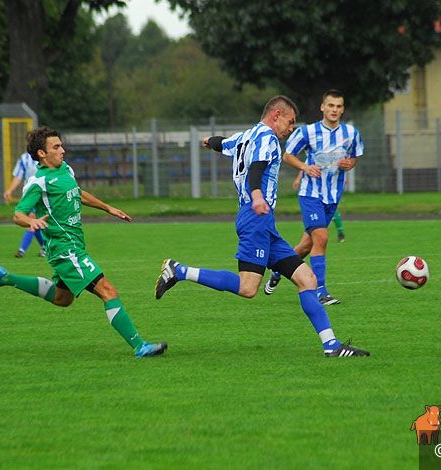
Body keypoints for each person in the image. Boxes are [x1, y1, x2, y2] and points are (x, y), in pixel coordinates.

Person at [154, 95, 369, 357]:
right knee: (248, 288)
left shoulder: (245, 136)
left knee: (307, 279)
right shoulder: (267, 138)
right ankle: (179, 270)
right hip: (255, 216)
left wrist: (209, 141)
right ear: (276, 115)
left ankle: (331, 345)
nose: (291, 128)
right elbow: (256, 168)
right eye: (290, 122)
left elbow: (222, 143)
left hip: (263, 222)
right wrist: (256, 194)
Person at [0, 126, 166, 358]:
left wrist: (107, 208)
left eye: (61, 145)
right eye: (56, 147)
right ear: (42, 153)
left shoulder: (65, 169)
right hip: (64, 249)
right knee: (108, 290)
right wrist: (31, 221)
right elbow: (18, 214)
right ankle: (140, 346)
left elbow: (78, 193)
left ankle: (5, 278)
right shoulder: (38, 182)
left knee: (62, 298)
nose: (63, 150)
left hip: (74, 244)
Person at [264, 90, 363, 305]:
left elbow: (354, 156)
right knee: (322, 238)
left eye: (338, 106)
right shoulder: (308, 132)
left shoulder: (351, 133)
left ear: (343, 109)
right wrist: (305, 167)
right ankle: (321, 291)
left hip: (333, 196)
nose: (334, 110)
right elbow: (288, 155)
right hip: (311, 194)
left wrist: (350, 164)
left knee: (306, 246)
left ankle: (278, 269)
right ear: (322, 107)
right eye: (331, 105)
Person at [4, 151, 46, 258]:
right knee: (33, 221)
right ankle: (44, 247)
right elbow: (18, 177)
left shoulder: (47, 155)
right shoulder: (24, 158)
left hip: (44, 195)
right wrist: (10, 190)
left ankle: (22, 250)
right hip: (30, 196)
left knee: (33, 221)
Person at [292, 170, 346, 242]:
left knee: (333, 212)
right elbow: (305, 167)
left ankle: (340, 232)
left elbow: (343, 167)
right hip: (316, 190)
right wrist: (298, 179)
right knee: (318, 216)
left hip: (331, 188)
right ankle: (315, 233)